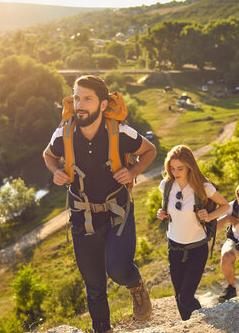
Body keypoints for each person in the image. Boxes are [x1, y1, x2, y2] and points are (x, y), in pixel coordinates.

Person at [43, 75, 156, 333]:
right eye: (77, 97)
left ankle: (135, 285)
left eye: (87, 99)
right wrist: (55, 171)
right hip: (82, 217)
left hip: (118, 213)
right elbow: (48, 155)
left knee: (118, 270)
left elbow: (149, 150)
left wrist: (134, 170)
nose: (79, 104)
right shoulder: (64, 132)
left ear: (103, 105)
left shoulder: (119, 132)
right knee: (94, 286)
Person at [156, 145, 230, 320]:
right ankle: (189, 325)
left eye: (180, 168)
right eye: (172, 168)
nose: (175, 172)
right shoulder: (166, 185)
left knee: (185, 297)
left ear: (190, 165)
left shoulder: (203, 187)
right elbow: (166, 209)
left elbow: (226, 206)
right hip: (173, 247)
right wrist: (161, 213)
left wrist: (210, 215)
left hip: (197, 249)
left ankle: (207, 321)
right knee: (179, 297)